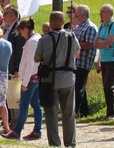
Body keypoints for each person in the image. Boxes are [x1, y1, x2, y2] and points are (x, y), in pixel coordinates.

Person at [35, 11, 79, 148]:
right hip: (68, 78)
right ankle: (70, 143)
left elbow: (36, 58)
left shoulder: (44, 39)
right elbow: (77, 52)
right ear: (62, 21)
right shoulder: (72, 36)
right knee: (69, 113)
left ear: (50, 21)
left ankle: (54, 143)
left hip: (51, 80)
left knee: (51, 113)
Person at [5, 18, 42, 140]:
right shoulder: (36, 39)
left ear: (25, 29)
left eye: (21, 32)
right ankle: (37, 130)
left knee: (24, 105)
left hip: (30, 78)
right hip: (35, 77)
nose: (21, 35)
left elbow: (30, 64)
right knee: (36, 105)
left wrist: (24, 83)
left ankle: (17, 131)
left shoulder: (32, 43)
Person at [93, 4, 114, 119]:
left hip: (113, 60)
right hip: (104, 59)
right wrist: (101, 42)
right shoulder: (101, 26)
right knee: (107, 86)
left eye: (102, 12)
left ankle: (112, 112)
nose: (100, 14)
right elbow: (95, 43)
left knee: (108, 86)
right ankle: (111, 110)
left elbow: (108, 43)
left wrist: (101, 42)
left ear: (109, 14)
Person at [71, 4, 97, 118]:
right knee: (79, 87)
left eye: (77, 13)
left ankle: (75, 111)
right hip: (75, 61)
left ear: (84, 14)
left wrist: (74, 45)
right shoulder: (77, 27)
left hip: (83, 62)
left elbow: (90, 44)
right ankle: (85, 110)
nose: (75, 15)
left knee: (78, 88)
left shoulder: (90, 27)